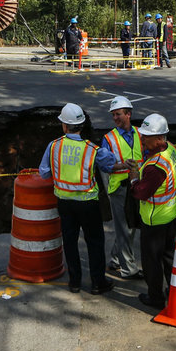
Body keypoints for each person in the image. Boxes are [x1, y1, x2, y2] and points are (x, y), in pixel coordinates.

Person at [39, 103, 117, 295]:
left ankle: (75, 282)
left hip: (64, 203)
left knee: (70, 241)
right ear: (81, 126)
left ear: (65, 126)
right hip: (88, 203)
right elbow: (110, 163)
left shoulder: (54, 146)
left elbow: (44, 173)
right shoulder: (91, 149)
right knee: (95, 242)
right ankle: (98, 282)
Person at [128, 114, 176, 309]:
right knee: (168, 258)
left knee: (152, 262)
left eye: (146, 136)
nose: (141, 139)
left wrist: (134, 177)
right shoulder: (171, 149)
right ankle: (174, 290)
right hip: (171, 215)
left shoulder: (155, 167)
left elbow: (141, 193)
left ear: (159, 139)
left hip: (155, 220)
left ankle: (155, 298)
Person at [101, 96, 143, 279]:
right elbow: (104, 165)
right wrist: (122, 166)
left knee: (128, 226)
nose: (115, 118)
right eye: (113, 115)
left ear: (128, 114)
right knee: (125, 227)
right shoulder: (109, 139)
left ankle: (116, 260)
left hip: (136, 186)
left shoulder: (141, 134)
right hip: (119, 189)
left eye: (118, 114)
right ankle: (128, 269)